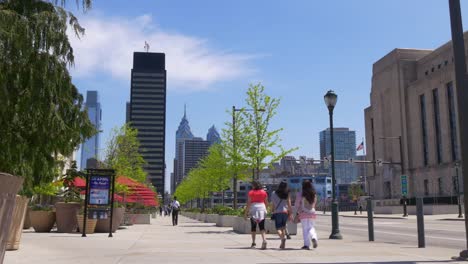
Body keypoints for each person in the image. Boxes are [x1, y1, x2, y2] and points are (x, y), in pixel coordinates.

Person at [244, 180, 269, 249]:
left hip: (254, 208)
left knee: (253, 227)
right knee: (262, 226)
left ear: (254, 185)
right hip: (262, 207)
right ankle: (264, 240)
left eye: (252, 185)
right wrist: (266, 210)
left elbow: (249, 203)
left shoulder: (251, 192)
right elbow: (266, 202)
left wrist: (246, 213)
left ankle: (253, 243)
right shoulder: (264, 192)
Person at [294, 180, 318, 250]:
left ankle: (306, 245)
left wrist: (298, 211)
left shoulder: (300, 194)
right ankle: (314, 237)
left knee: (305, 229)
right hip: (312, 212)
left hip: (303, 213)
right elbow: (314, 203)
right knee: (311, 227)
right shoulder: (314, 194)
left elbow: (296, 205)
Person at [270, 180, 292, 249]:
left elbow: (273, 203)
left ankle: (283, 239)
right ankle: (282, 243)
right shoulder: (287, 193)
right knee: (283, 228)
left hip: (277, 212)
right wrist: (290, 212)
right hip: (285, 212)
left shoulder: (274, 193)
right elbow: (289, 204)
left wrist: (272, 210)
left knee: (278, 229)